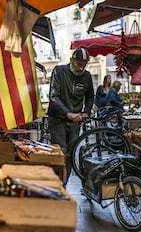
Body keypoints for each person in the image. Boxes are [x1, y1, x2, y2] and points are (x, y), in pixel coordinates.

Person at [47, 47, 94, 185]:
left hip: (75, 121)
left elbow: (90, 96)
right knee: (61, 152)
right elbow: (54, 96)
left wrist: (86, 111)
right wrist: (68, 113)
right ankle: (57, 185)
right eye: (78, 64)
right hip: (57, 118)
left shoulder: (87, 76)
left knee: (71, 154)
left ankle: (64, 185)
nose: (81, 68)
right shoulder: (59, 71)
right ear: (72, 60)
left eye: (84, 65)